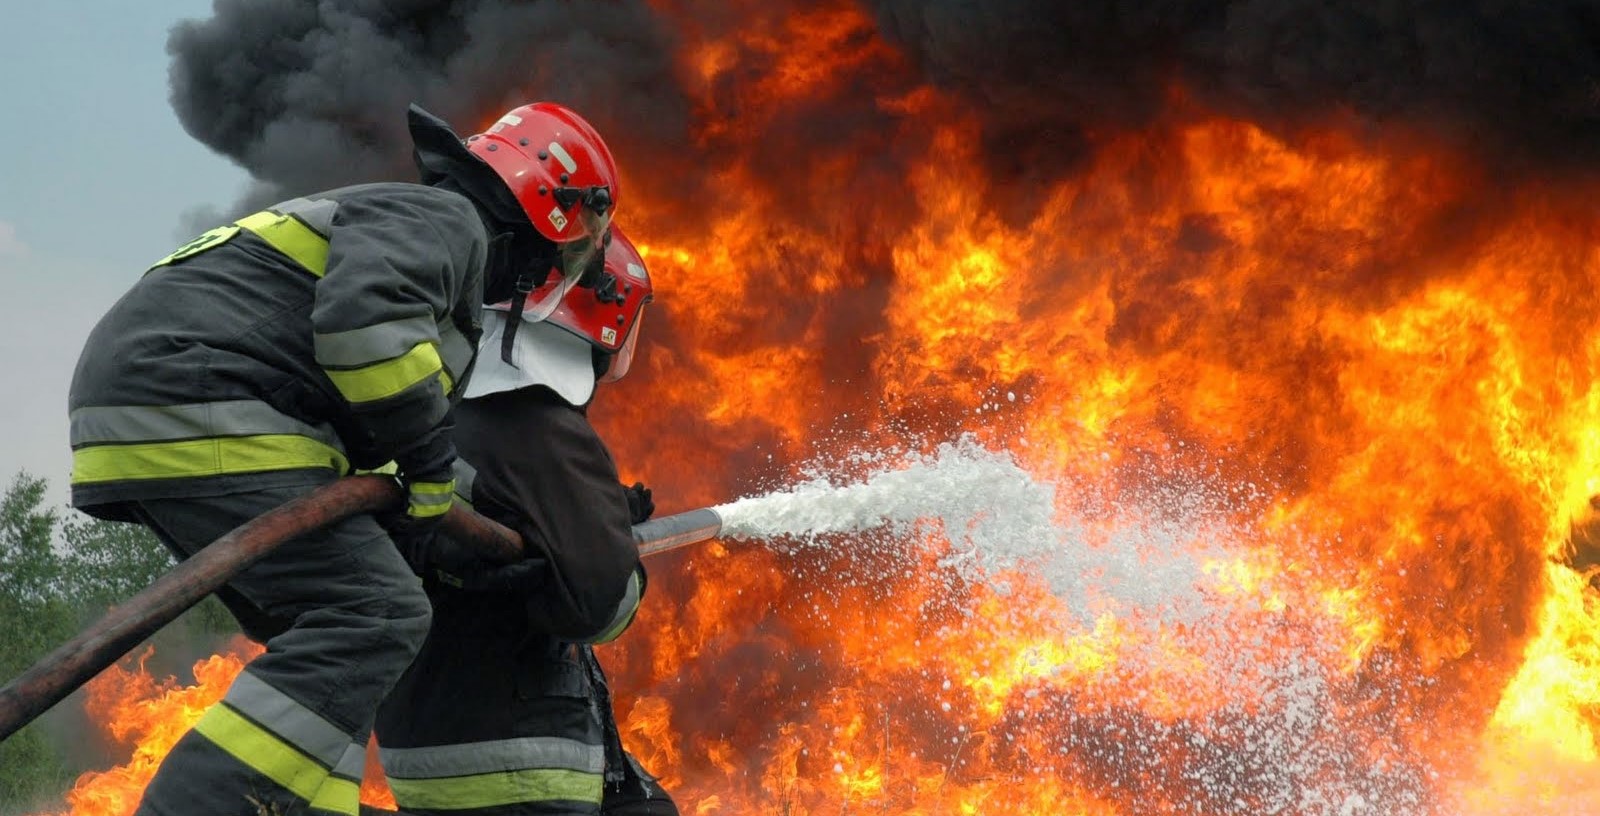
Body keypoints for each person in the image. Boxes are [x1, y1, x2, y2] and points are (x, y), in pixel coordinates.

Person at [66, 101, 620, 816]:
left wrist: (452, 506)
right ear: (550, 203)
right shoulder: (449, 223)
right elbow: (364, 331)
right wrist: (427, 466)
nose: (561, 263)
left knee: (333, 638)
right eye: (577, 238)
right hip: (200, 392)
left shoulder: (415, 226)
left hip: (164, 397)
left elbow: (366, 407)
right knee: (378, 614)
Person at [374, 226, 678, 816]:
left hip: (424, 738)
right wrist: (617, 553)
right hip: (516, 759)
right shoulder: (538, 422)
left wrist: (597, 512)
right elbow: (599, 605)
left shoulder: (440, 408)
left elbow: (499, 508)